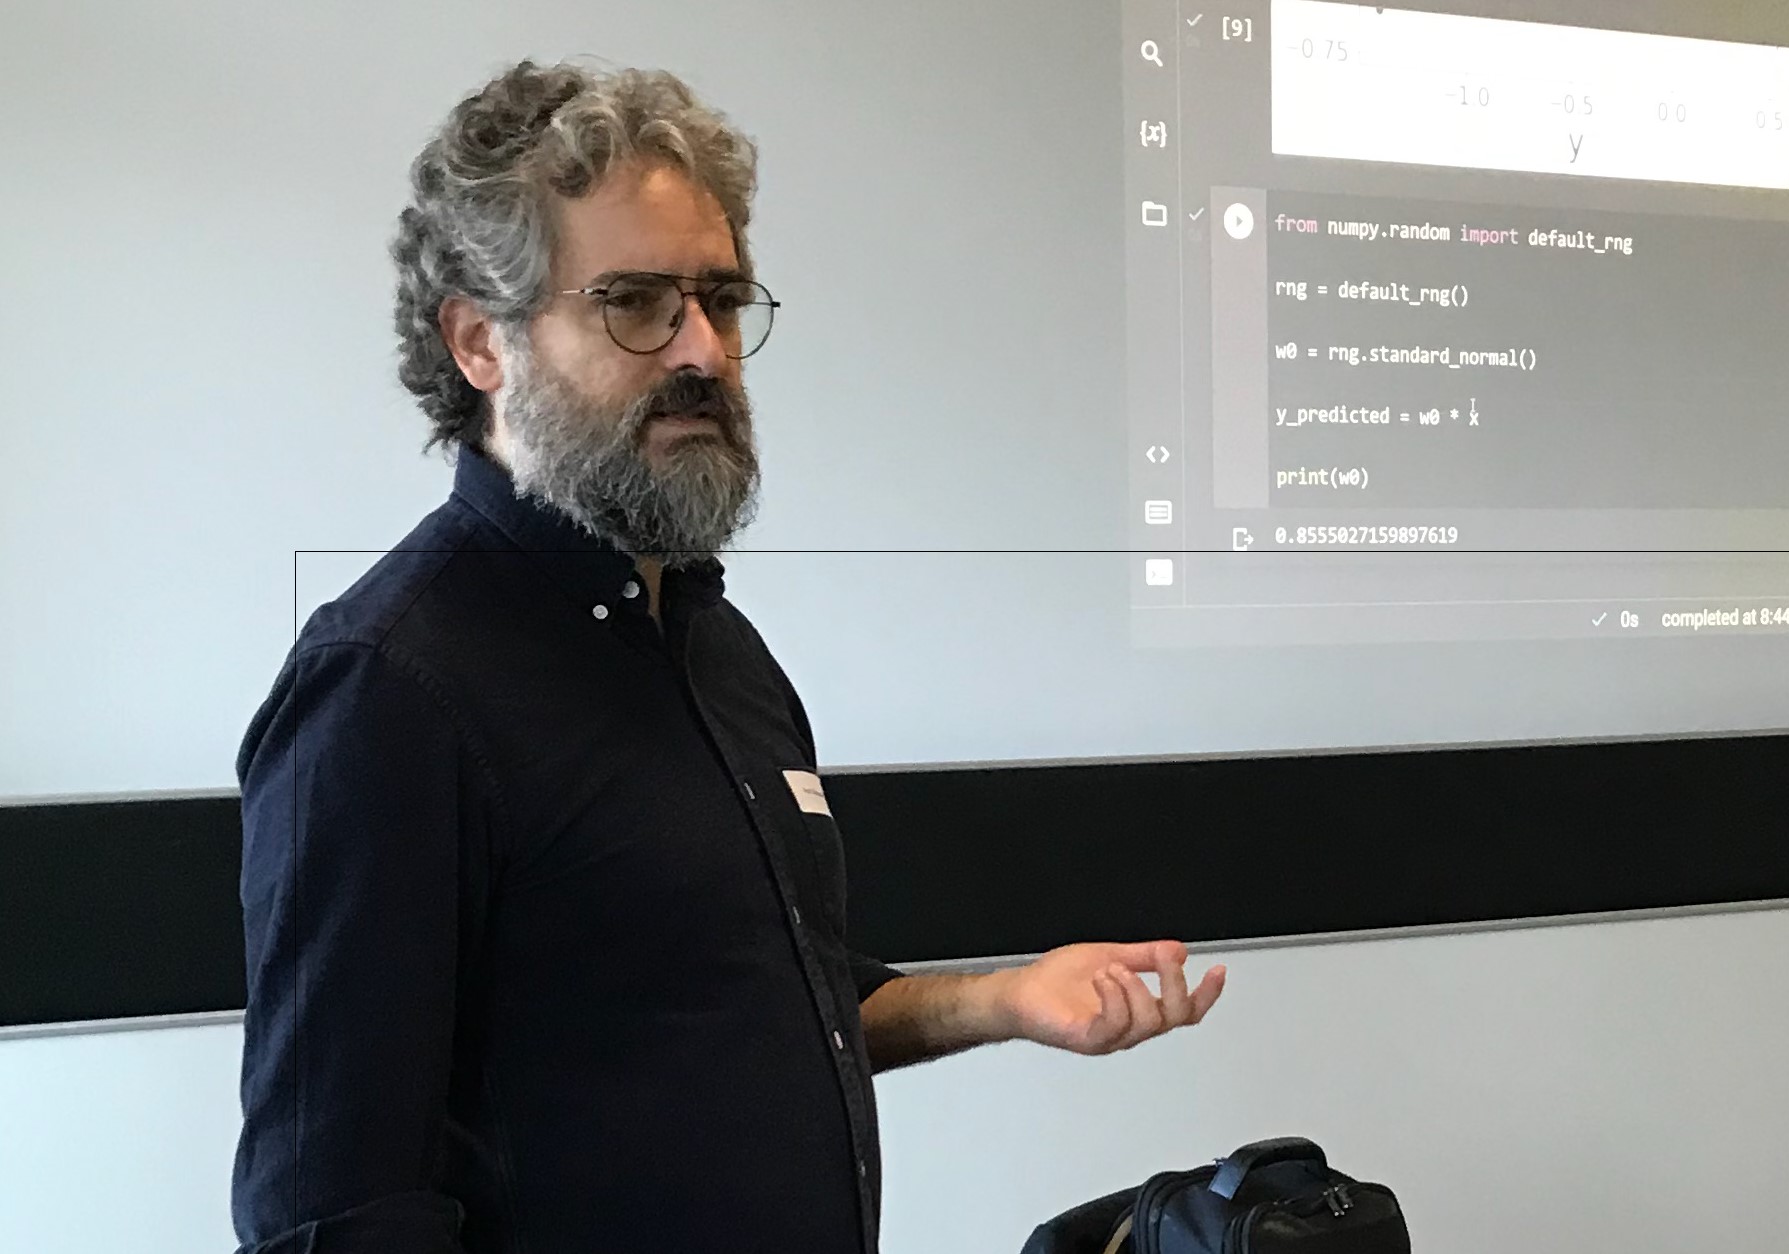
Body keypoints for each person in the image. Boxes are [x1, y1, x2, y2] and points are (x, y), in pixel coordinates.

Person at [231, 58, 1227, 1254]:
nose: (700, 347)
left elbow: (763, 998)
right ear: (479, 344)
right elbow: (332, 1210)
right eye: (635, 302)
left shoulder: (712, 645)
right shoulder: (390, 687)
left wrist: (1000, 1002)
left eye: (721, 297)